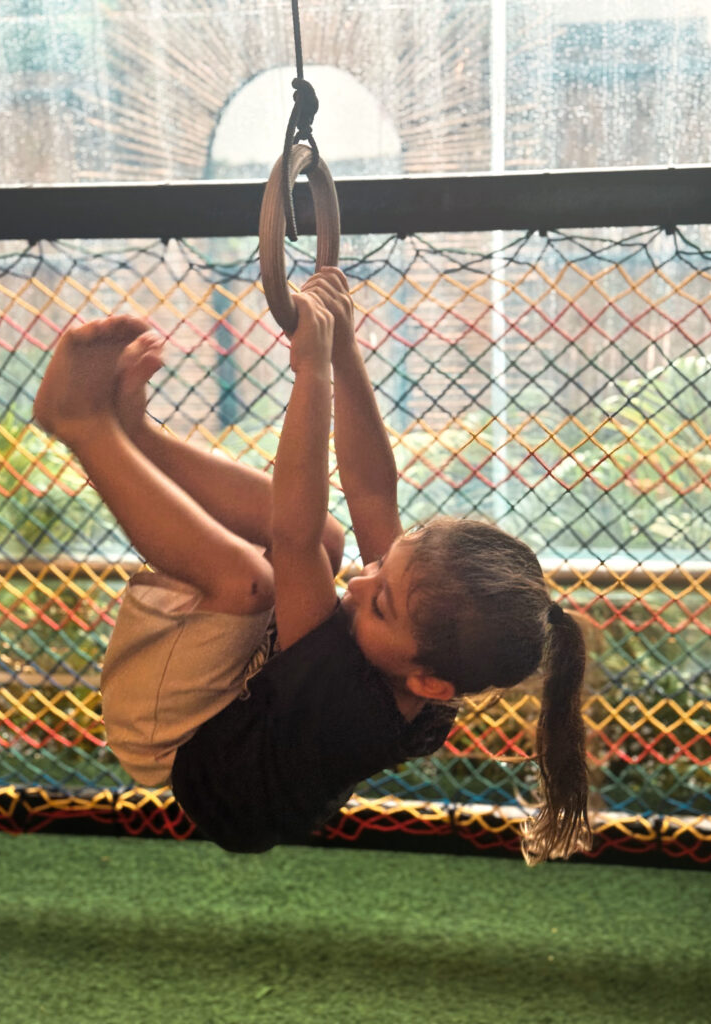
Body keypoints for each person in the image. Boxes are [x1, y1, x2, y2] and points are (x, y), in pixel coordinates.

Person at [33, 267, 590, 864]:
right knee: (330, 538)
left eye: (380, 602)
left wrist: (314, 371)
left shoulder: (346, 704)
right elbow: (373, 493)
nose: (361, 581)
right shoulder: (421, 645)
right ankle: (134, 436)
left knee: (252, 581)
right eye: (384, 570)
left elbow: (289, 536)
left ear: (428, 684)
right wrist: (347, 351)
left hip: (179, 741)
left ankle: (85, 428)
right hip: (251, 714)